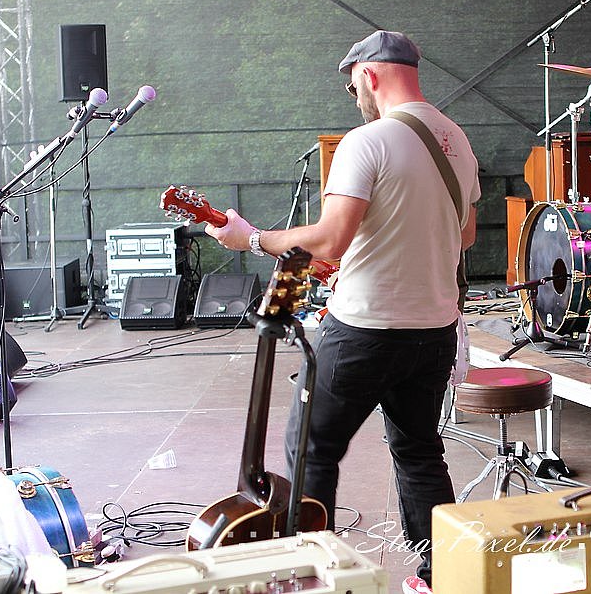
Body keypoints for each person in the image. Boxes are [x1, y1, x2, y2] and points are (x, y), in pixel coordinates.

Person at [205, 30, 480, 593]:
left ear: (370, 75)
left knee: (311, 450)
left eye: (354, 85)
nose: (356, 97)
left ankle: (311, 577)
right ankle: (441, 578)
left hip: (366, 330)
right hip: (434, 330)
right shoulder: (456, 138)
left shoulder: (366, 141)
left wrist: (251, 238)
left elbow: (330, 239)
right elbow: (464, 234)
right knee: (419, 451)